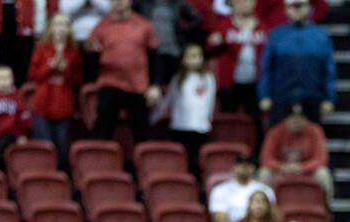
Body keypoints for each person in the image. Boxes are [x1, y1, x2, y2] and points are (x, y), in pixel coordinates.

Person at [87, 0, 161, 142]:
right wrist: (92, 54)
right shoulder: (100, 27)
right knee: (102, 129)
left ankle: (143, 162)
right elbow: (90, 63)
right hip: (109, 83)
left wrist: (155, 85)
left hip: (138, 85)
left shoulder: (144, 25)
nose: (118, 2)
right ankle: (100, 161)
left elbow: (154, 59)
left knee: (142, 131)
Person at [257, 0, 336, 126]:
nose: (297, 10)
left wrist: (329, 98)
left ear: (310, 8)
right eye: (292, 6)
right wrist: (264, 95)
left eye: (300, 6)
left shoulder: (321, 35)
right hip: (281, 97)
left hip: (312, 97)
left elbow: (328, 69)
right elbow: (266, 68)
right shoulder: (276, 34)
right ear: (285, 9)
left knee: (310, 138)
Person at [152, 43, 216, 178]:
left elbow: (210, 103)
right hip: (180, 127)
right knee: (180, 160)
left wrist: (207, 122)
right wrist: (153, 119)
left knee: (195, 162)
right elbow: (167, 102)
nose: (194, 59)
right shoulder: (177, 79)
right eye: (190, 56)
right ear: (183, 59)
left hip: (200, 128)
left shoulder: (208, 79)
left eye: (197, 56)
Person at [29, 12, 84, 169]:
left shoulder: (73, 51)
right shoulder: (41, 48)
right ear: (51, 27)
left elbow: (77, 80)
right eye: (57, 24)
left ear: (69, 29)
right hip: (42, 105)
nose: (61, 28)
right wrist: (50, 66)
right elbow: (33, 76)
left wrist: (65, 70)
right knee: (43, 147)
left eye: (64, 24)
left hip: (64, 107)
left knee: (62, 149)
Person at [259, 106, 334, 202]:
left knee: (323, 173)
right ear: (286, 120)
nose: (296, 121)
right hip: (281, 169)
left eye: (299, 118)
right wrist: (281, 167)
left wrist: (302, 167)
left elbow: (322, 158)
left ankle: (325, 208)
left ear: (305, 119)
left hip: (307, 170)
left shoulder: (315, 131)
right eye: (292, 118)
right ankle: (266, 208)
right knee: (264, 173)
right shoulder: (275, 132)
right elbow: (265, 158)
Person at [208, 0, 268, 117]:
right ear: (233, 4)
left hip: (255, 83)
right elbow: (210, 48)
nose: (244, 4)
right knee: (227, 117)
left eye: (247, 1)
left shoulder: (263, 26)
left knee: (255, 119)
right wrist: (213, 42)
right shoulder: (224, 25)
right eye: (239, 1)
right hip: (230, 83)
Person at [0, 64, 32, 171]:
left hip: (12, 135)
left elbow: (25, 118)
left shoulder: (18, 97)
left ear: (12, 79)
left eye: (6, 78)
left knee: (0, 149)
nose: (3, 82)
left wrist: (22, 135)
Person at [210, 155, 276, 222]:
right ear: (234, 167)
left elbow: (270, 216)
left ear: (253, 168)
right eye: (240, 164)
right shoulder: (220, 190)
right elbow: (219, 218)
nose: (244, 167)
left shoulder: (265, 190)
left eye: (247, 164)